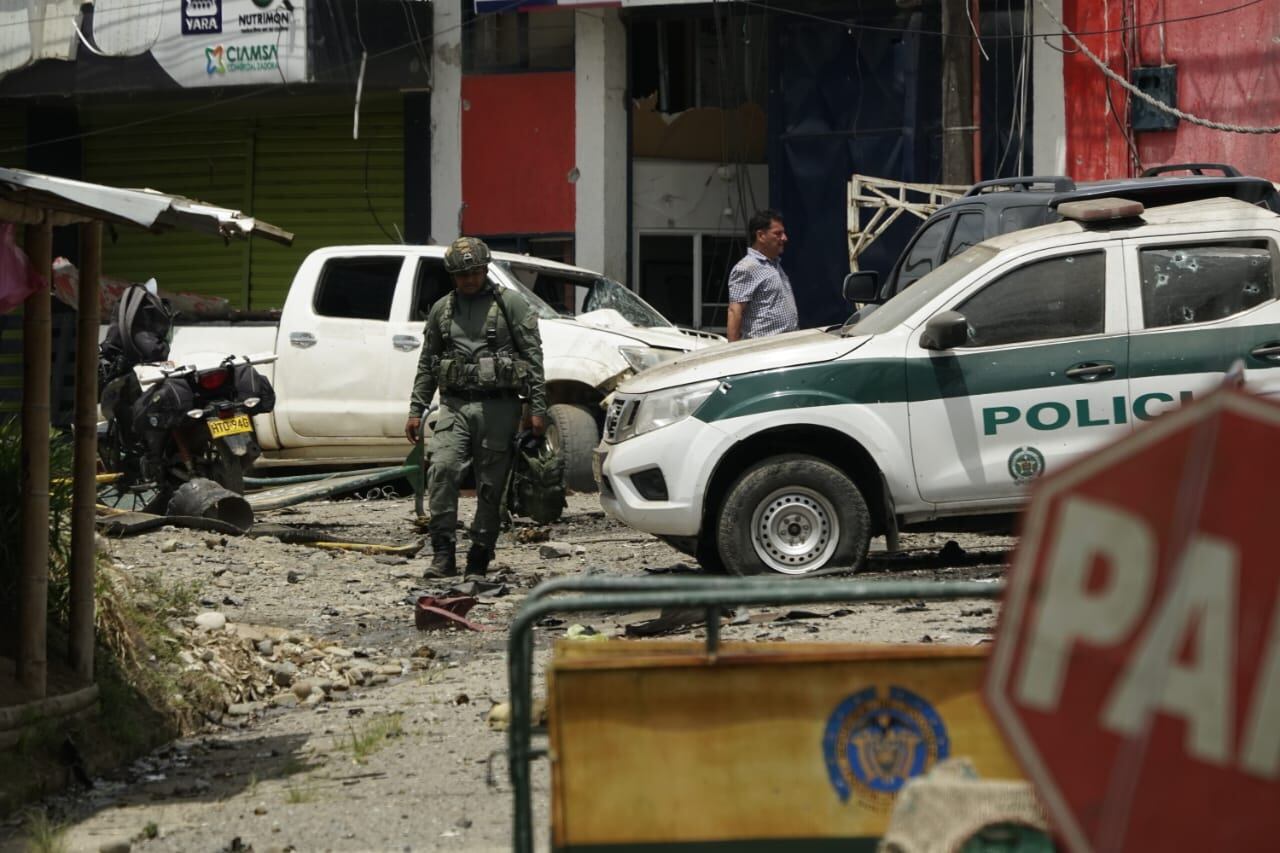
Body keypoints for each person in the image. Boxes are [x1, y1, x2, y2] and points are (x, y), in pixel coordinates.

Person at [405, 237, 547, 579]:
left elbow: (533, 358)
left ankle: (479, 558)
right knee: (442, 471)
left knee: (490, 485)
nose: (468, 279)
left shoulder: (512, 305)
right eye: (461, 274)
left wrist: (538, 408)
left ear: (485, 269)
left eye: (474, 272)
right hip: (454, 406)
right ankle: (442, 554)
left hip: (499, 409)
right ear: (452, 276)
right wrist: (416, 408)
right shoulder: (442, 309)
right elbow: (428, 363)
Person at [726, 209, 799, 342]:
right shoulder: (747, 267)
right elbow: (734, 311)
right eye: (778, 233)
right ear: (761, 236)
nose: (784, 238)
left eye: (784, 233)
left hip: (785, 346)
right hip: (764, 349)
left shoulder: (774, 264)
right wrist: (733, 352)